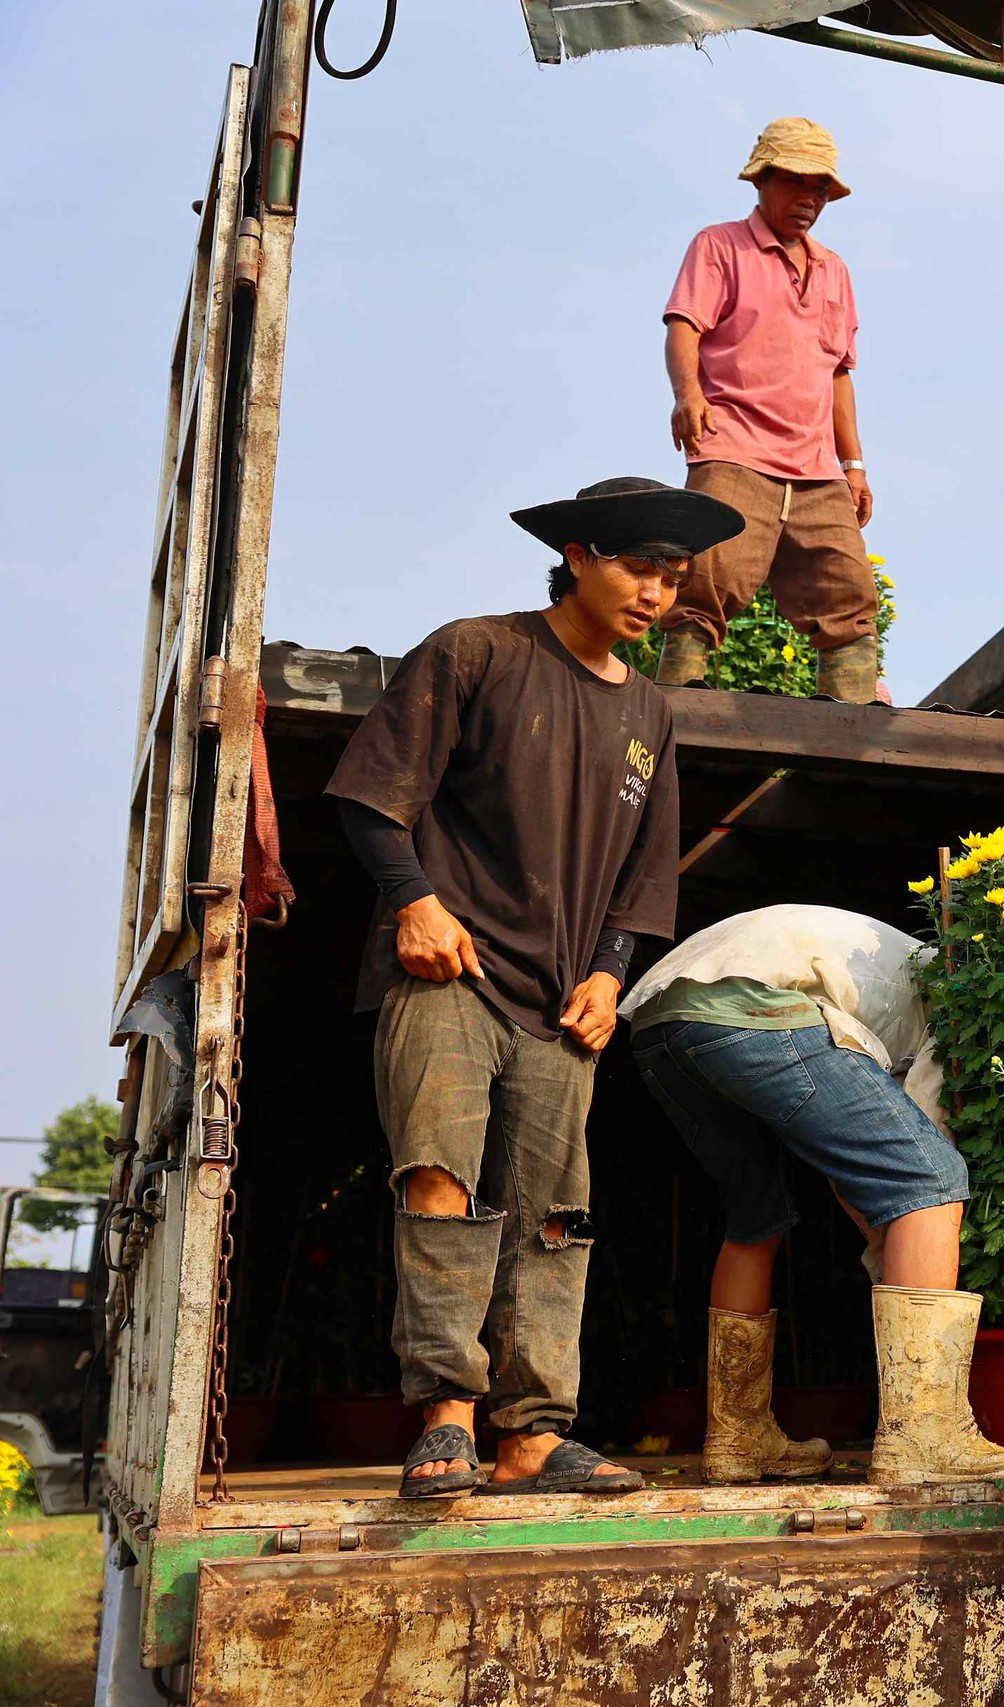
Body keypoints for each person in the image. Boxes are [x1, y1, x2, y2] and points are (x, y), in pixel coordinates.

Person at [328, 476, 743, 1499]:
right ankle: (446, 1423)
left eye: (672, 577)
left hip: (563, 1006)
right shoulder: (477, 651)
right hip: (450, 973)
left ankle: (532, 1437)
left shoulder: (649, 711)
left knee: (556, 1219)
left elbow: (645, 876)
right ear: (580, 557)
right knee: (440, 1183)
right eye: (639, 568)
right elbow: (373, 798)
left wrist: (610, 972)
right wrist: (416, 904)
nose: (656, 593)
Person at [621, 905, 1004, 1487]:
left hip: (660, 1019)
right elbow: (913, 1169)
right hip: (751, 1006)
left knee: (756, 1218)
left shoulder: (897, 959)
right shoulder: (951, 1002)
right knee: (932, 1179)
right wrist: (896, 1255)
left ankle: (737, 1436)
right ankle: (924, 1438)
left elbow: (852, 1162)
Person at [658, 117, 881, 704]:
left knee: (849, 594)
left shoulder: (834, 270)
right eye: (796, 182)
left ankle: (853, 730)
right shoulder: (719, 245)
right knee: (704, 580)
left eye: (820, 188)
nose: (809, 198)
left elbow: (838, 372)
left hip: (816, 469)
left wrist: (854, 465)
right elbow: (684, 326)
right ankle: (678, 713)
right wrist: (688, 395)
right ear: (762, 180)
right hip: (734, 445)